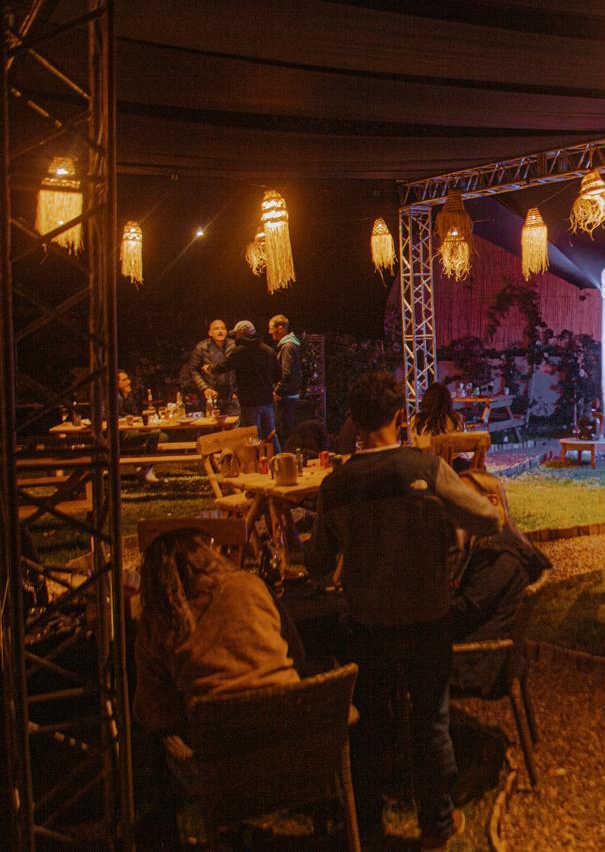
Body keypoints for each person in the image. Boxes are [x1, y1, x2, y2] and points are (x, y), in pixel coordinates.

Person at [305, 371, 500, 848]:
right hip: (428, 617)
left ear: (353, 421)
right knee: (430, 720)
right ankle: (436, 823)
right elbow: (489, 519)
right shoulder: (427, 470)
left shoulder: (336, 485)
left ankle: (368, 827)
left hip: (367, 623)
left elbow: (316, 563)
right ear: (399, 417)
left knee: (369, 725)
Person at [133, 529, 299, 736]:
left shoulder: (161, 622)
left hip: (219, 755)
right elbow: (296, 651)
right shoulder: (252, 586)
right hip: (293, 735)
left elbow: (155, 715)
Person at [449, 470, 550, 697]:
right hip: (480, 652)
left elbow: (467, 608)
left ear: (491, 502)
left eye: (462, 498)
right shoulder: (489, 544)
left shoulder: (500, 556)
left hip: (478, 662)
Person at [205, 320, 280, 448]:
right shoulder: (268, 350)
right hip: (267, 400)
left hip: (249, 401)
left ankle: (255, 464)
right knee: (271, 434)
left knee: (252, 436)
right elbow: (278, 375)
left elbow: (225, 366)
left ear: (241, 334)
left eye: (237, 334)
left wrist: (211, 368)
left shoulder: (239, 351)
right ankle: (278, 459)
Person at [184, 319, 236, 415]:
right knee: (212, 425)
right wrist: (205, 388)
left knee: (234, 425)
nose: (220, 331)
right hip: (210, 394)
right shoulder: (202, 347)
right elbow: (193, 370)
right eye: (216, 329)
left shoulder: (234, 345)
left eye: (223, 328)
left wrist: (237, 389)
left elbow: (242, 368)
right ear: (210, 333)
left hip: (231, 395)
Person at [268, 314, 303, 444]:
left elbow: (286, 373)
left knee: (284, 432)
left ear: (281, 328)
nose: (269, 332)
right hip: (290, 394)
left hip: (286, 396)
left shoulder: (287, 347)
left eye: (271, 328)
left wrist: (277, 391)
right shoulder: (292, 345)